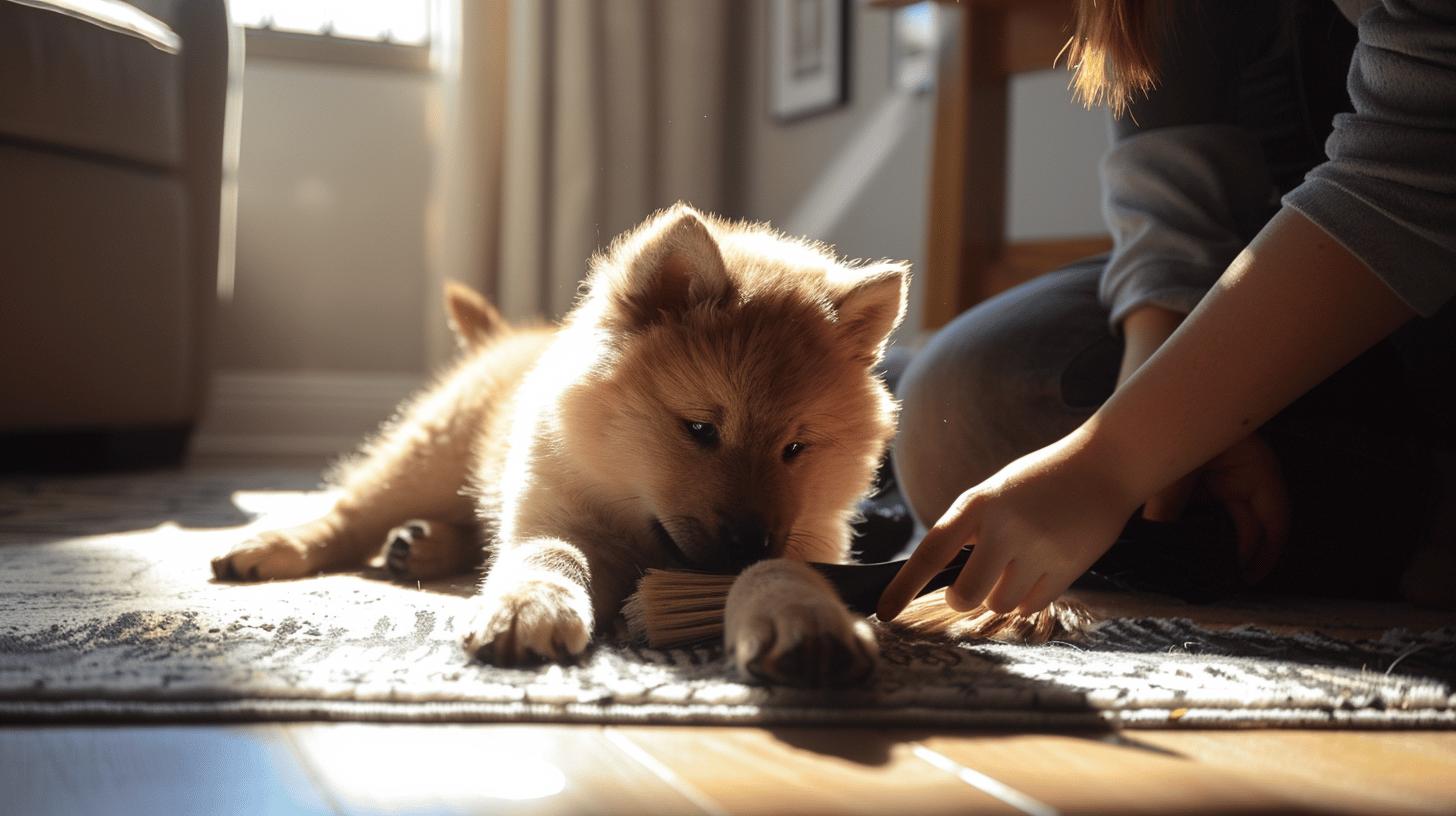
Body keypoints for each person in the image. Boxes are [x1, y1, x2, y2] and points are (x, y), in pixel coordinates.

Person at [878, 0, 1456, 622]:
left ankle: (1424, 518)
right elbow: (1170, 221)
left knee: (976, 439)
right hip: (1287, 290)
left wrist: (1110, 464)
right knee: (959, 405)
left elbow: (1415, 175)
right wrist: (1170, 442)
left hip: (1419, 296)